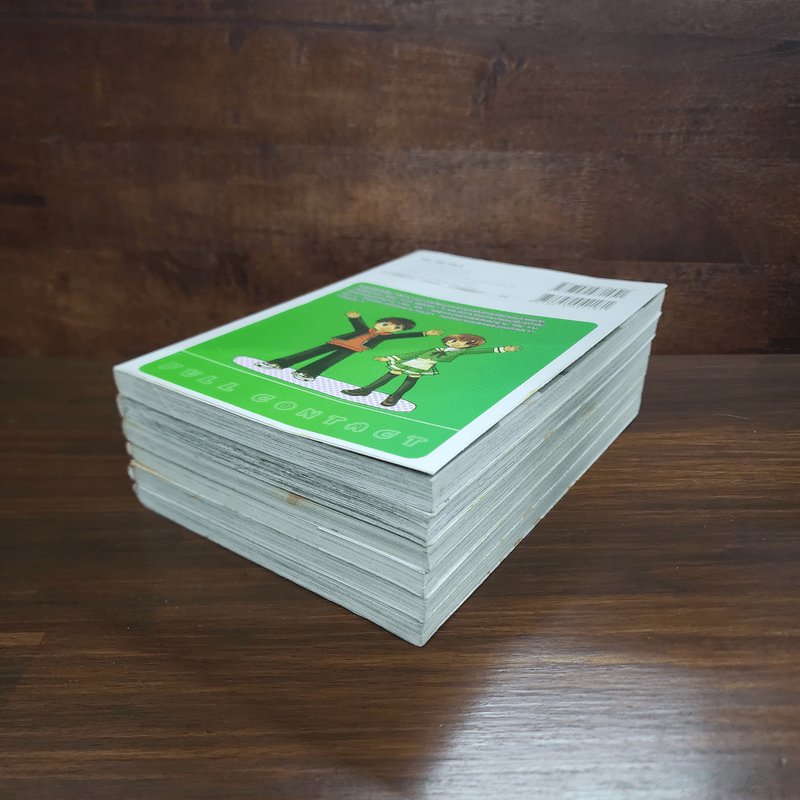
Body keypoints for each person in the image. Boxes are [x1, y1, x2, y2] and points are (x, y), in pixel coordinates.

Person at [342, 333, 522, 406]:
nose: (456, 344)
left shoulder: (460, 352)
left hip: (424, 365)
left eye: (465, 343)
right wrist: (388, 358)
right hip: (415, 360)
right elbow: (413, 353)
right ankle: (365, 390)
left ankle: (395, 396)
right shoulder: (436, 348)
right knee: (393, 372)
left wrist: (503, 349)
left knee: (411, 378)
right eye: (454, 340)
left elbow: (481, 351)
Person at [257, 311, 444, 381]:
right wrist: (356, 318)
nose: (389, 328)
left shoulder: (385, 337)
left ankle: (307, 373)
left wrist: (425, 334)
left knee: (328, 362)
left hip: (353, 349)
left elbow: (406, 336)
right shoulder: (365, 329)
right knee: (309, 352)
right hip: (338, 342)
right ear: (379, 322)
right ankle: (278, 363)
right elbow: (358, 325)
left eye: (396, 328)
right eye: (386, 323)